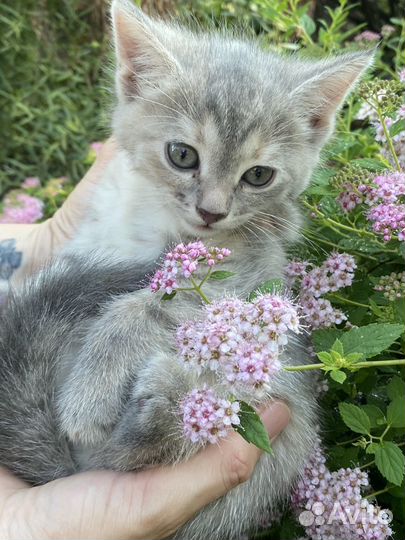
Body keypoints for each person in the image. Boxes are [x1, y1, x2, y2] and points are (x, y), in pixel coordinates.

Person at [0, 139, 291, 540]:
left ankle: (152, 434)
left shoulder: (247, 243)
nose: (214, 205)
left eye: (256, 174)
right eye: (184, 156)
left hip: (172, 458)